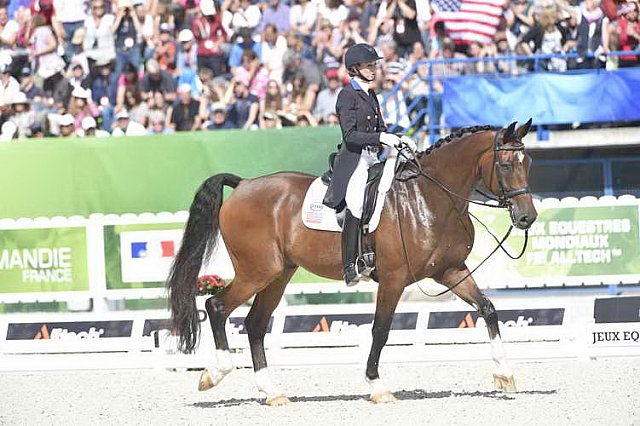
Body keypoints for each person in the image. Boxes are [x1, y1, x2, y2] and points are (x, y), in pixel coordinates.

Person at [322, 43, 416, 287]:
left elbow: (380, 128)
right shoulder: (347, 95)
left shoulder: (371, 94)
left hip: (374, 156)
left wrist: (396, 138)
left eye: (374, 65)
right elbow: (350, 135)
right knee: (355, 201)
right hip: (355, 159)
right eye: (369, 65)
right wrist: (381, 138)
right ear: (355, 68)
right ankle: (349, 265)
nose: (374, 69)